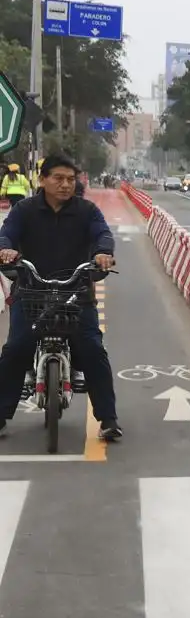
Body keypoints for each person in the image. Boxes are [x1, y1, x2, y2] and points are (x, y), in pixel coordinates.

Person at [0, 156, 120, 441]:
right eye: (58, 178)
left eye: (70, 179)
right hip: (31, 292)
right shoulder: (24, 210)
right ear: (42, 180)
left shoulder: (87, 211)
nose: (66, 184)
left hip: (75, 294)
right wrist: (5, 250)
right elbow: (6, 235)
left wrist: (103, 253)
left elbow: (103, 234)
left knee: (92, 349)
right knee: (16, 349)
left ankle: (109, 419)